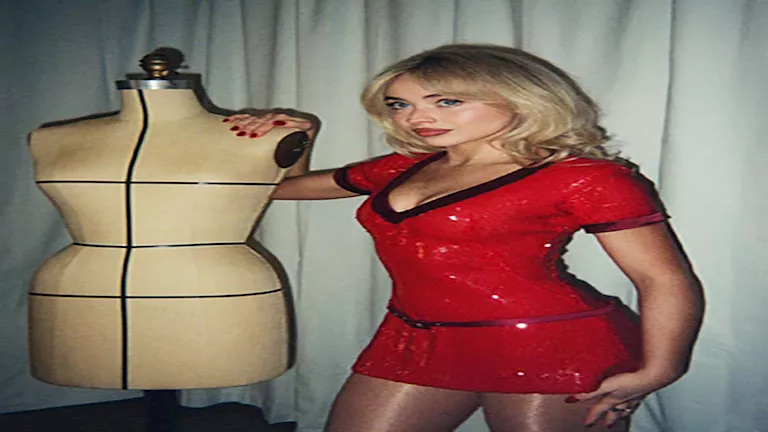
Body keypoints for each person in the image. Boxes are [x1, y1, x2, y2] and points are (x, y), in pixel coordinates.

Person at [224, 44, 704, 432]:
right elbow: (280, 188)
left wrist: (661, 368)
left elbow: (661, 277)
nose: (416, 117)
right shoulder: (405, 166)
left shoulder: (585, 177)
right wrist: (295, 135)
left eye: (446, 101)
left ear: (520, 99)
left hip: (546, 344)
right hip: (413, 340)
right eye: (400, 104)